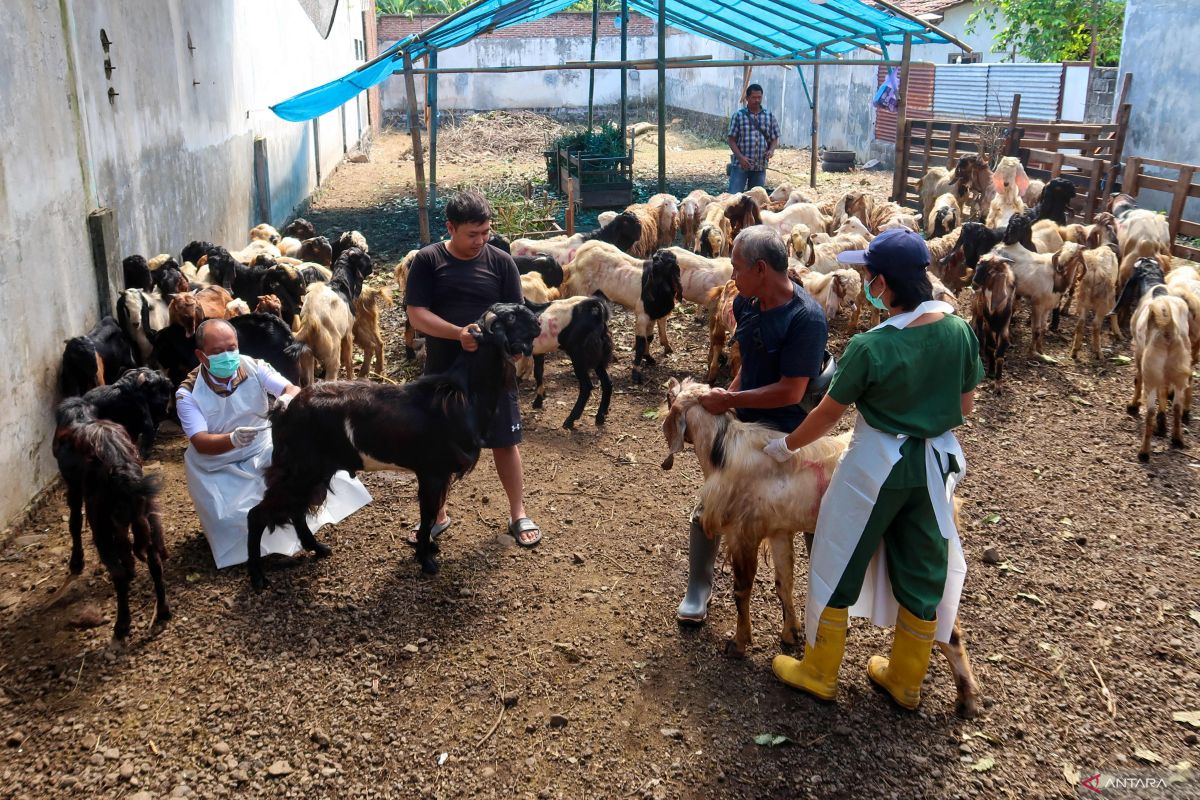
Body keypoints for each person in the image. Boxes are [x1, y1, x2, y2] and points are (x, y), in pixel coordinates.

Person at [765, 228, 984, 711]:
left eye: (868, 276)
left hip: (874, 466)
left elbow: (827, 414)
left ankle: (819, 671)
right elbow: (964, 406)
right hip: (933, 468)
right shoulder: (959, 331)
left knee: (837, 555)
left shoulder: (870, 346)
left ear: (883, 283)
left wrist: (786, 446)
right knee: (924, 564)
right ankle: (906, 678)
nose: (865, 283)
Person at [677, 226, 829, 624]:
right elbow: (749, 365)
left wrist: (730, 401)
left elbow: (792, 391)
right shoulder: (747, 303)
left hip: (791, 430)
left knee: (818, 513)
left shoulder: (805, 318)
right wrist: (727, 403)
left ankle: (823, 602)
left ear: (761, 269)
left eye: (737, 268)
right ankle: (699, 587)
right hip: (746, 425)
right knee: (709, 507)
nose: (732, 277)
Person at [404, 190, 542, 548]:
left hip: (494, 375)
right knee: (439, 446)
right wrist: (456, 333)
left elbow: (518, 316)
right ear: (450, 227)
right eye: (472, 234)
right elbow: (416, 314)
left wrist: (513, 350)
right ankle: (437, 513)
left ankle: (517, 511)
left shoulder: (501, 262)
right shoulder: (428, 260)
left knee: (505, 442)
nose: (481, 241)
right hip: (445, 373)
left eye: (486, 232)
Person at [177, 319, 371, 569]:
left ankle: (291, 536)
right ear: (201, 356)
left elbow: (290, 387)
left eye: (232, 348)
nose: (227, 356)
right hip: (217, 464)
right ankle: (262, 552)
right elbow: (200, 442)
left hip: (260, 446)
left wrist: (287, 400)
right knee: (234, 517)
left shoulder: (254, 366)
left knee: (300, 479)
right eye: (217, 352)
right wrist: (231, 439)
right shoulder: (188, 393)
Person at [726, 83, 780, 194]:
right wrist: (741, 158)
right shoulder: (738, 116)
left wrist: (771, 150)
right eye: (754, 97)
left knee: (756, 199)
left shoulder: (769, 116)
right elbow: (731, 140)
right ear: (747, 98)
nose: (757, 100)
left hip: (759, 166)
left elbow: (775, 138)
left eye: (759, 97)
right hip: (740, 165)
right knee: (733, 198)